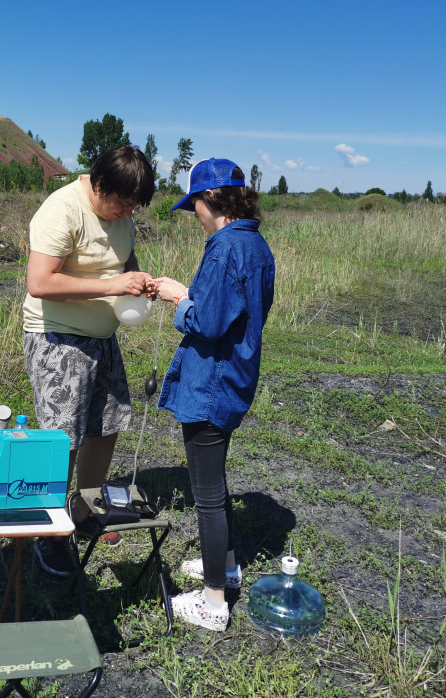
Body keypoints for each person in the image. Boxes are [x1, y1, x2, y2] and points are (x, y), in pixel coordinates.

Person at [150, 158, 275, 630]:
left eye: (195, 205)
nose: (194, 215)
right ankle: (223, 567)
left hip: (210, 385)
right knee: (216, 483)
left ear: (211, 201)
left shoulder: (224, 248)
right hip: (235, 377)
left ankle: (213, 602)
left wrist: (178, 300)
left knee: (205, 495)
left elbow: (208, 322)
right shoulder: (256, 244)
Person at [23, 145, 157, 576]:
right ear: (100, 185)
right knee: (63, 437)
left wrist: (138, 281)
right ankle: (49, 529)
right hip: (58, 338)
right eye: (121, 203)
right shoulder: (62, 210)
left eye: (133, 207)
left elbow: (122, 263)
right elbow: (40, 282)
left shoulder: (122, 212)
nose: (126, 213)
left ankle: (84, 509)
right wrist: (113, 285)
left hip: (102, 338)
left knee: (107, 424)